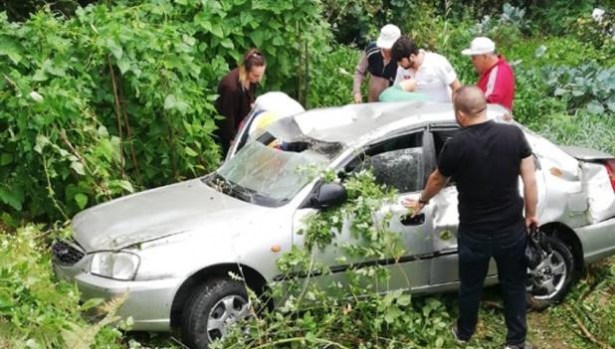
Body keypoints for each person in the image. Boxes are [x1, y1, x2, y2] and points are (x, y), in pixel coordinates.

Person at [403, 86, 537, 349]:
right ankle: (516, 341)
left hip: (474, 233)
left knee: (471, 285)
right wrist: (531, 215)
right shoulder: (513, 135)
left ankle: (464, 333)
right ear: (484, 107)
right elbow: (530, 180)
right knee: (513, 284)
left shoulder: (456, 145)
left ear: (461, 115)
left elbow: (437, 179)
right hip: (511, 230)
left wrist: (421, 201)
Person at [215, 48, 266, 155]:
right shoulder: (230, 87)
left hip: (242, 126)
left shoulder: (250, 79)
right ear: (247, 70)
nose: (259, 79)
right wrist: (232, 140)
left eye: (261, 75)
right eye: (256, 76)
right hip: (228, 133)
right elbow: (226, 118)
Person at [391, 36, 461, 102]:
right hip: (415, 112)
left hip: (441, 111)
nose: (398, 64)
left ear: (412, 57)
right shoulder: (402, 69)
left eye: (400, 61)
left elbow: (457, 88)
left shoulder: (438, 62)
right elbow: (397, 92)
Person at [462, 37, 515, 111]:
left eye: (474, 57)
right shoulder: (498, 69)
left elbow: (490, 102)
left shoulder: (497, 73)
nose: (472, 61)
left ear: (485, 57)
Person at [353, 24, 401, 103]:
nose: (387, 49)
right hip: (372, 102)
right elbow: (359, 72)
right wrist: (357, 92)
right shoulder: (372, 51)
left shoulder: (401, 58)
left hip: (392, 103)